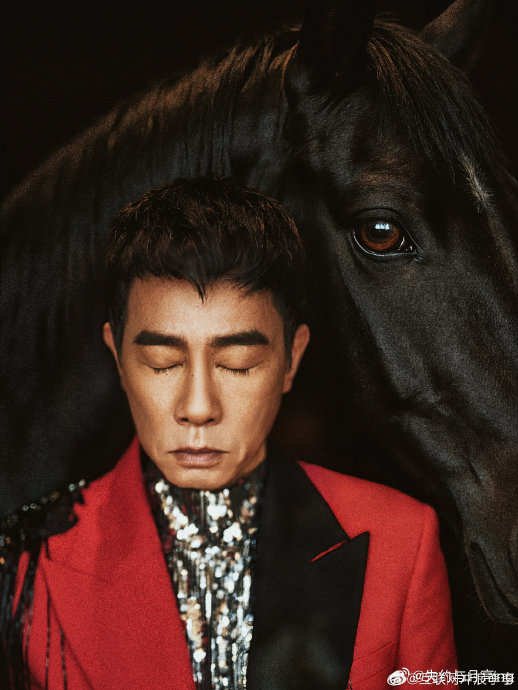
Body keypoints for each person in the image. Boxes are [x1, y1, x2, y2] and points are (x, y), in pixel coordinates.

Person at [1, 178, 457, 689]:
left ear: (291, 359)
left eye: (237, 364)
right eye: (162, 362)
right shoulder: (28, 561)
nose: (198, 408)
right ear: (119, 358)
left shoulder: (402, 541)